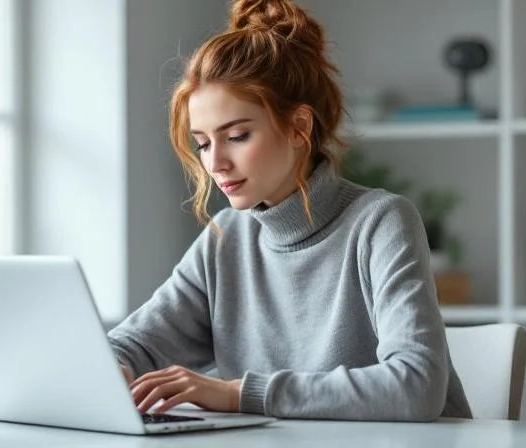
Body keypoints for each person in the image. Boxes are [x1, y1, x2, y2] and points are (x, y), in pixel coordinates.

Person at [107, 0, 472, 421]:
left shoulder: (380, 222)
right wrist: (109, 371)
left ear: (300, 127)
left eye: (238, 136)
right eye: (203, 143)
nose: (216, 163)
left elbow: (416, 386)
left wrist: (237, 393)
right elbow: (133, 344)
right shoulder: (227, 237)